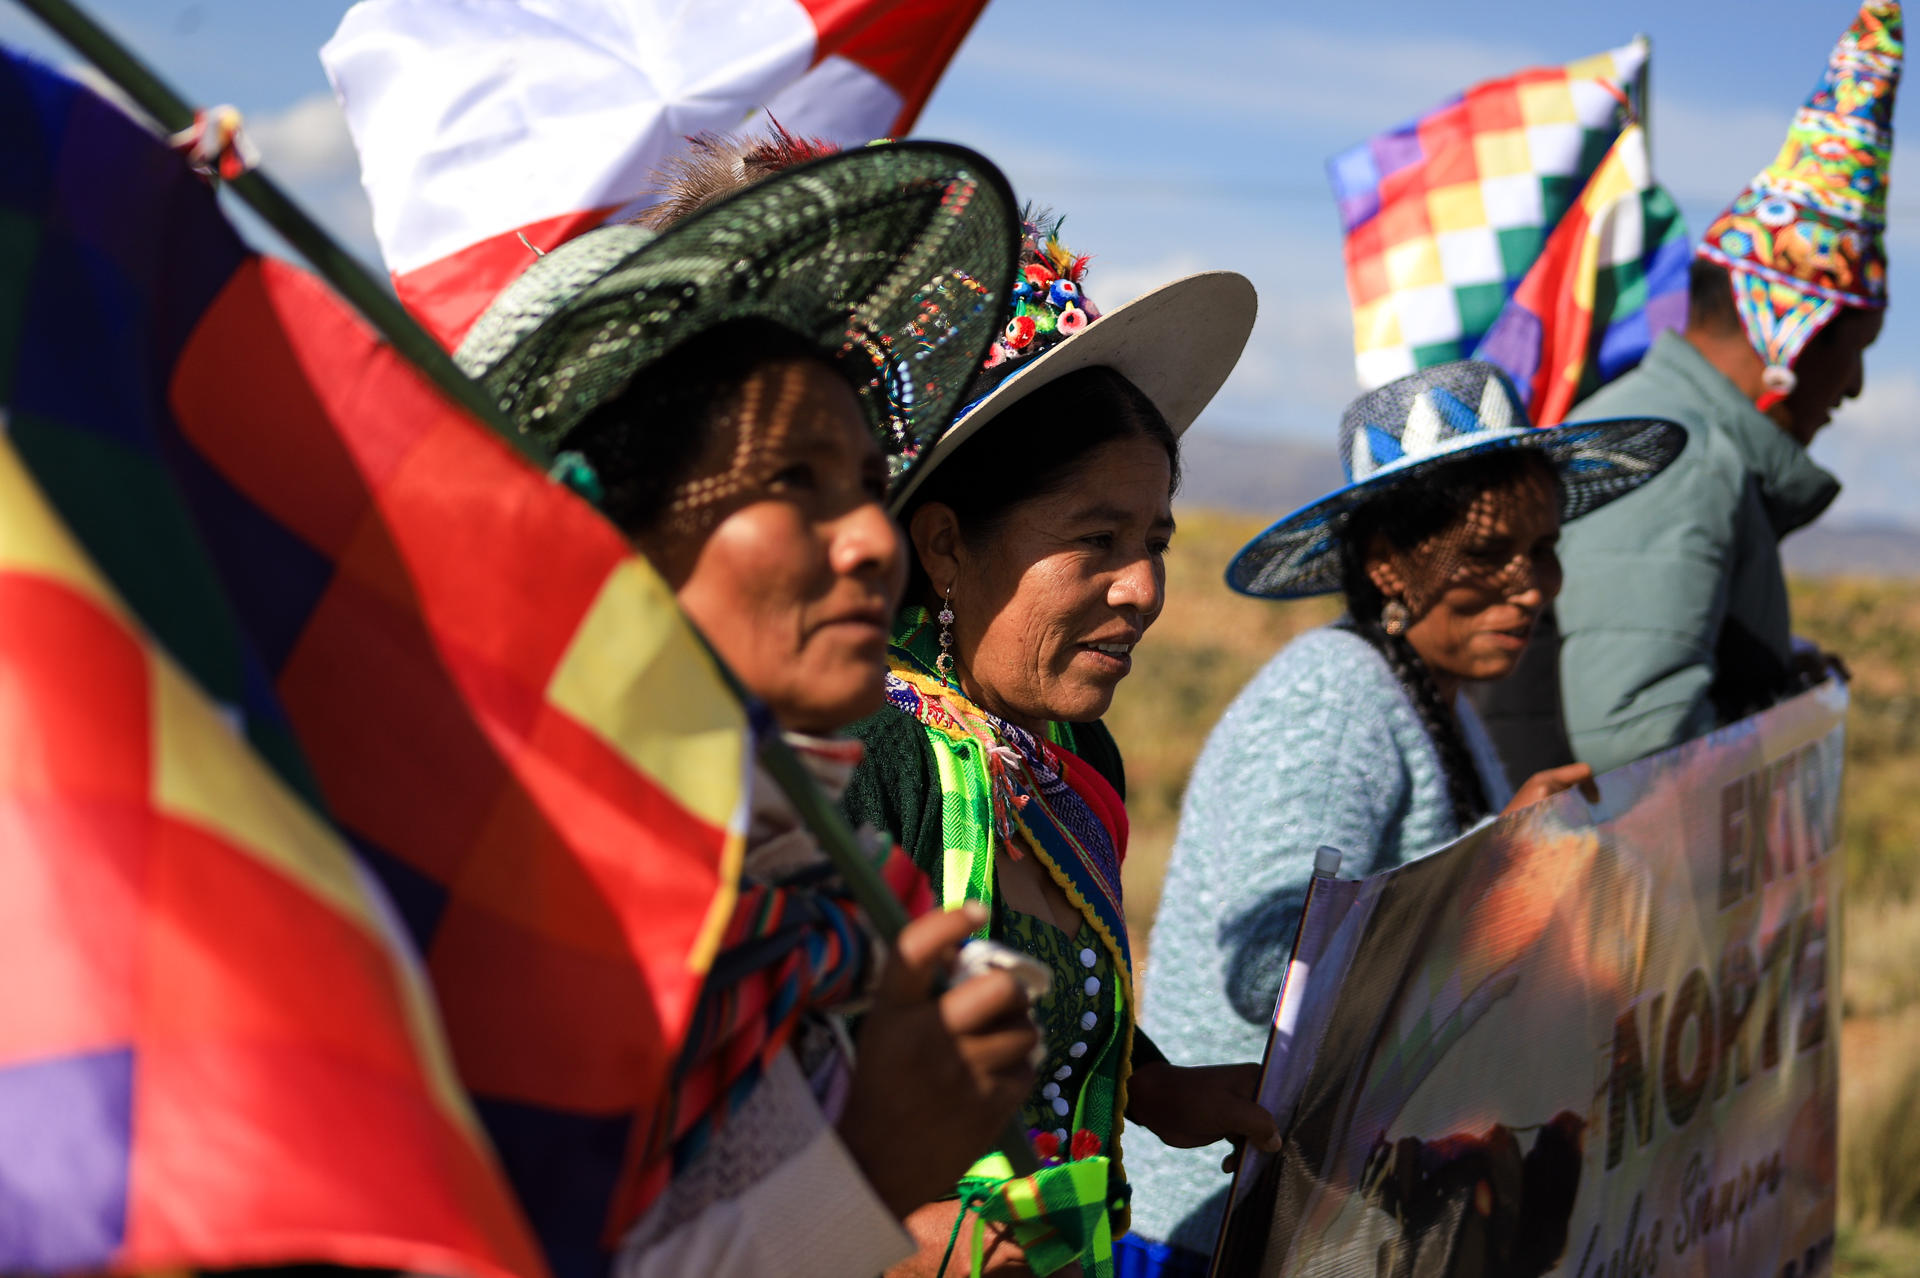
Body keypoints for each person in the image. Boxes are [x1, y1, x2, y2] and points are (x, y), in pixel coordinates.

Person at [455, 139, 1043, 1278]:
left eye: (873, 487)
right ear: (613, 535)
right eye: (793, 485)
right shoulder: (530, 905)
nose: (875, 542)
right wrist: (871, 1176)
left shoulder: (804, 885)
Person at [1125, 360, 1683, 1269]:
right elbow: (1273, 966)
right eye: (1486, 555)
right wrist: (1503, 869)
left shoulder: (1442, 702)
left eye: (1541, 550)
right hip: (1228, 1227)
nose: (1531, 585)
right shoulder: (1336, 698)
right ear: (1388, 561)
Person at [839, 213, 1281, 1278]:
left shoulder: (1072, 759)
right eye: (1097, 541)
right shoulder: (869, 760)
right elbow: (775, 1086)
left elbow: (1042, 1022)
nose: (1144, 589)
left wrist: (1160, 1088)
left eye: (1155, 542)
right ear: (945, 544)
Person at [1503, 0, 1899, 775]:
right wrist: (1781, 725)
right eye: (1851, 352)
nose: (1851, 388)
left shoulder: (1676, 435)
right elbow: (1637, 744)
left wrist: (1783, 675)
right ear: (1791, 331)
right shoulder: (1678, 460)